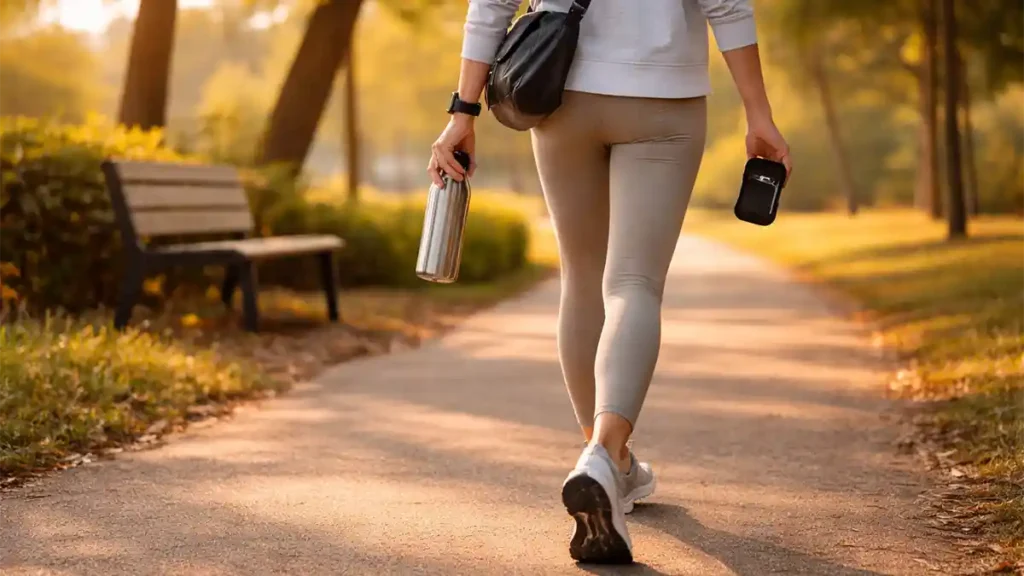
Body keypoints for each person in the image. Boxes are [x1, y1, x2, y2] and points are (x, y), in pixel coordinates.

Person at [428, 0, 792, 565]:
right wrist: (759, 114)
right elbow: (728, 5)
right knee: (633, 283)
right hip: (663, 101)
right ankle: (605, 452)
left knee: (582, 277)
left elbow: (491, 6)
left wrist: (463, 111)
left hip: (558, 90)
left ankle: (609, 464)